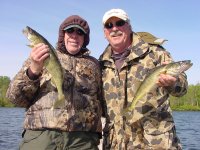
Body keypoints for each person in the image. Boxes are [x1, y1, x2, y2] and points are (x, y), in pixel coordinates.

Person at [6, 15, 105, 150]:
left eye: (80, 32)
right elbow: (15, 98)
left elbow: (104, 102)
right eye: (70, 31)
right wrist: (33, 70)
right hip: (41, 136)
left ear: (85, 38)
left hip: (82, 140)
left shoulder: (95, 64)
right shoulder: (41, 56)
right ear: (63, 35)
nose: (74, 36)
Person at [99, 8, 188, 150]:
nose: (114, 28)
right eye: (109, 25)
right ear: (105, 33)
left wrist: (173, 83)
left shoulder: (155, 52)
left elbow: (182, 89)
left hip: (154, 143)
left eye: (120, 23)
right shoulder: (101, 64)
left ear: (129, 26)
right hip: (115, 144)